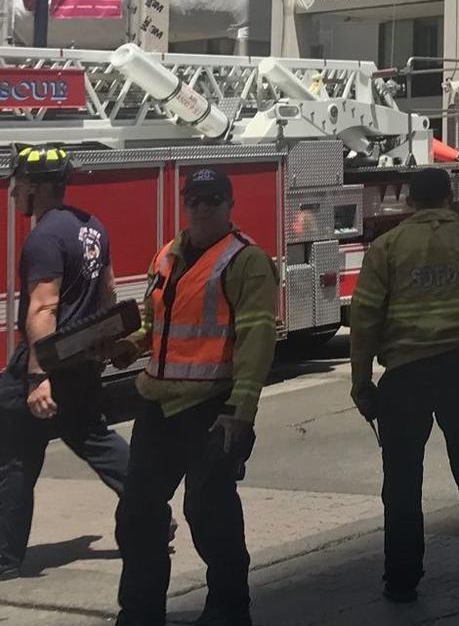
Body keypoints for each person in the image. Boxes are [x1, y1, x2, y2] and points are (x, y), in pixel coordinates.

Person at [104, 166, 277, 626]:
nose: (202, 208)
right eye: (195, 200)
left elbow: (256, 341)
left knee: (208, 512)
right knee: (138, 514)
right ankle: (140, 614)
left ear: (229, 205)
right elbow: (153, 322)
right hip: (159, 405)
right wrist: (127, 346)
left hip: (212, 409)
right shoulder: (168, 255)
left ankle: (228, 610)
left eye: (213, 200)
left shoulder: (246, 261)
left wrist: (240, 412)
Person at [350, 167, 459, 604]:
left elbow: (364, 319)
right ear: (449, 196)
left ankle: (401, 580)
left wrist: (361, 383)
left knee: (403, 482)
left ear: (409, 201)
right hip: (457, 372)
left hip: (403, 379)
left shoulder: (387, 247)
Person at [0, 146, 128, 581]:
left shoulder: (44, 238)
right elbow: (108, 293)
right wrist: (103, 349)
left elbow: (42, 308)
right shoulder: (92, 227)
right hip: (80, 362)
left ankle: (5, 560)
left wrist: (37, 377)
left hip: (46, 365)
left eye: (18, 185)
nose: (13, 193)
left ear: (37, 188)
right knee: (96, 439)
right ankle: (148, 506)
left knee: (13, 460)